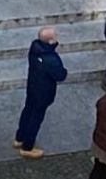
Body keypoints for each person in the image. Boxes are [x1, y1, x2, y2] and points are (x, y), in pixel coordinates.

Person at [12, 26, 67, 160]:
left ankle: (20, 137)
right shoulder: (51, 58)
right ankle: (27, 147)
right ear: (50, 41)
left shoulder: (35, 48)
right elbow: (60, 75)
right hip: (43, 92)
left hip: (33, 87)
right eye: (54, 37)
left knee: (28, 111)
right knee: (35, 119)